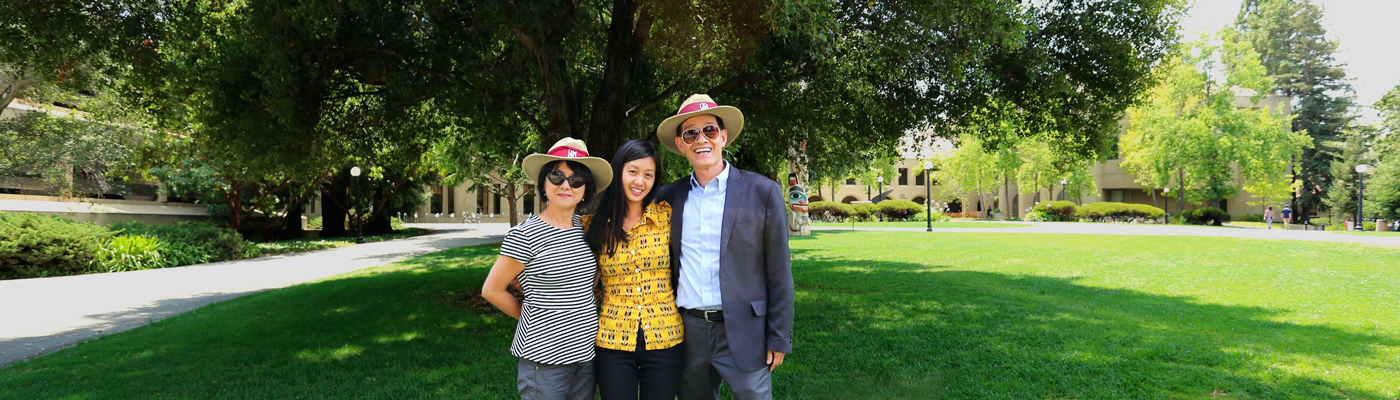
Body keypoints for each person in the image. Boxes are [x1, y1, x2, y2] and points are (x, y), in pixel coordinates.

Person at [653, 94, 794, 400]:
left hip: (746, 331)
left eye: (709, 130)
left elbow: (779, 271)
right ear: (681, 145)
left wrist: (779, 336)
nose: (701, 139)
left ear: (723, 136)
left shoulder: (763, 192)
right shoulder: (667, 198)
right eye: (690, 133)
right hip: (688, 332)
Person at [482, 138, 613, 400]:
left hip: (585, 354)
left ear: (585, 189)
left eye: (576, 180)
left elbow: (590, 279)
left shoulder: (586, 228)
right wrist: (532, 318)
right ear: (543, 183)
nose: (566, 185)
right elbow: (492, 290)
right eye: (557, 177)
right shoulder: (525, 235)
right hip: (544, 357)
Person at [583, 139, 684, 400]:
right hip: (613, 337)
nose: (640, 181)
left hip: (665, 335)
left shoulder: (667, 218)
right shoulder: (594, 226)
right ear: (619, 173)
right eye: (633, 172)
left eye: (648, 175)